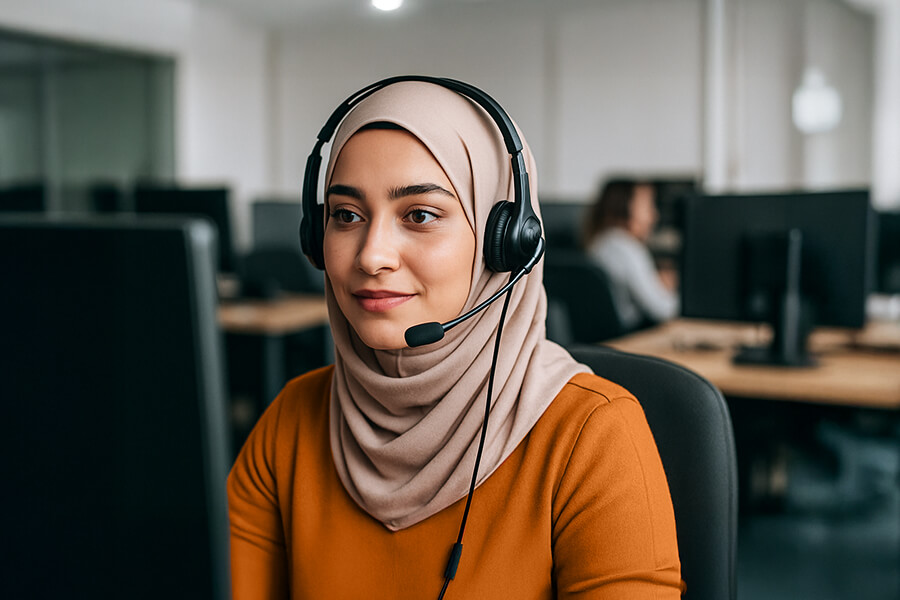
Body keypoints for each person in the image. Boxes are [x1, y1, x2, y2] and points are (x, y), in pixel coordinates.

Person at [227, 79, 683, 599]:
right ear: (315, 235)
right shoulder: (291, 421)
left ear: (505, 243)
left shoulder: (593, 436)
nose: (371, 255)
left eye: (420, 215)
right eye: (346, 215)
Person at [582, 178, 679, 332]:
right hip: (630, 337)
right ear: (625, 208)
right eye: (648, 207)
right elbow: (663, 311)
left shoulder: (600, 242)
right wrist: (671, 290)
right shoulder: (627, 248)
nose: (654, 216)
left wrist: (656, 282)